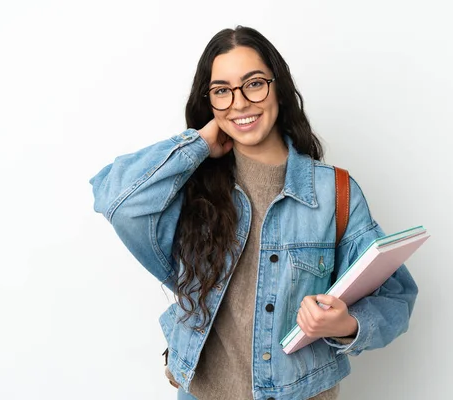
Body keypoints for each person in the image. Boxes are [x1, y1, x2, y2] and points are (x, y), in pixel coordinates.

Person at [90, 26, 418, 400]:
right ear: (209, 101)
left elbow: (396, 295)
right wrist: (198, 143)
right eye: (222, 91)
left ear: (278, 87)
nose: (240, 103)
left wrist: (345, 324)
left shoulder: (333, 193)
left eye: (254, 84)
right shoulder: (192, 188)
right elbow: (117, 201)